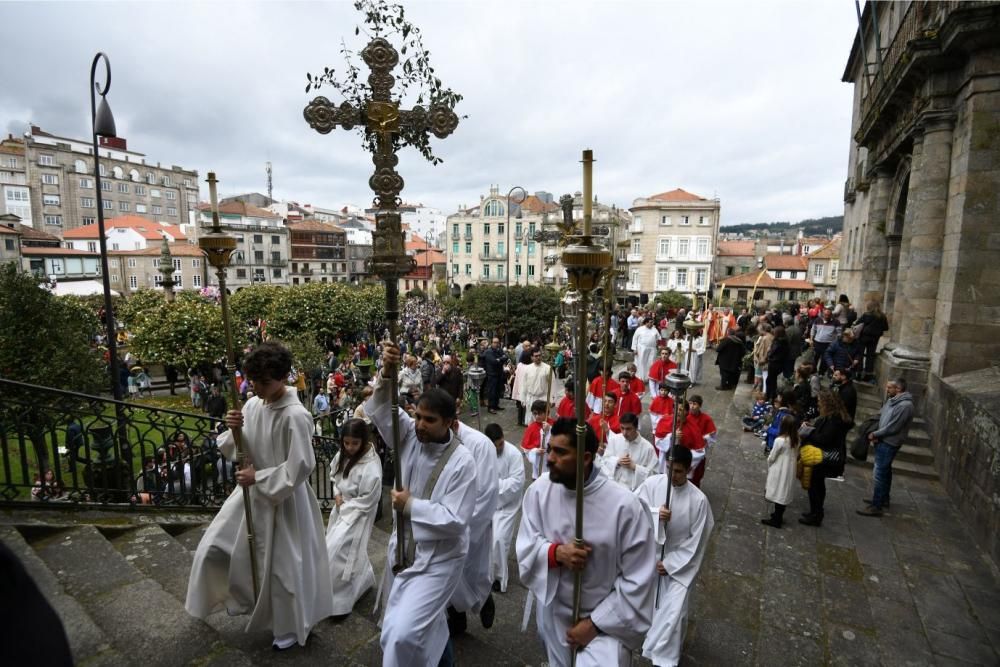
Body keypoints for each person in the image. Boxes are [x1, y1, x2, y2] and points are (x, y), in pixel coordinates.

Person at [185, 341, 333, 651]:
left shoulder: (296, 415)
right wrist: (234, 430)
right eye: (254, 381)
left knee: (284, 570)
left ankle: (289, 628)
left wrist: (259, 477)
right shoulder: (253, 405)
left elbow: (301, 466)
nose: (258, 388)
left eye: (265, 382)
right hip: (252, 494)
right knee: (214, 548)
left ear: (282, 377)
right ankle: (232, 599)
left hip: (286, 500)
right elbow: (241, 449)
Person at [367, 344, 477, 666]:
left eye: (429, 420)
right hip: (403, 551)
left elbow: (456, 520)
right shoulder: (411, 436)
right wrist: (387, 372)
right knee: (419, 625)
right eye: (417, 416)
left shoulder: (463, 462)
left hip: (439, 560)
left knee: (402, 635)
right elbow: (384, 406)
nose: (420, 425)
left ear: (449, 423)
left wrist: (411, 505)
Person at [516, 418, 655, 666]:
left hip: (604, 623)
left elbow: (638, 577)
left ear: (586, 457)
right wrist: (555, 553)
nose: (549, 459)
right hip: (555, 613)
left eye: (560, 452)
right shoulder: (539, 491)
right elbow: (527, 544)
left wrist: (595, 624)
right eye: (550, 450)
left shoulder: (625, 506)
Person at [634, 445, 714, 667]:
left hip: (679, 563)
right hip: (651, 554)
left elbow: (697, 541)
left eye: (678, 471)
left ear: (688, 470)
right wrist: (654, 514)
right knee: (652, 606)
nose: (672, 475)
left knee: (673, 613)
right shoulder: (652, 484)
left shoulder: (698, 501)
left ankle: (665, 658)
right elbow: (632, 508)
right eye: (669, 468)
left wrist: (670, 563)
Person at [447, 419, 501, 634]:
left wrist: (462, 524)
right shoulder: (431, 440)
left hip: (471, 524)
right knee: (449, 576)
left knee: (472, 570)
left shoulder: (479, 444)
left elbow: (487, 492)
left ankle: (484, 597)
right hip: (444, 522)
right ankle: (456, 619)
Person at [326, 418, 382, 617]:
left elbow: (369, 498)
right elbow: (334, 476)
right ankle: (360, 582)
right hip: (342, 508)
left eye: (354, 443)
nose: (350, 447)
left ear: (363, 441)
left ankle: (340, 601)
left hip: (358, 513)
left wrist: (348, 506)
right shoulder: (343, 454)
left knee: (341, 552)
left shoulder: (372, 466)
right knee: (342, 551)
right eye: (346, 443)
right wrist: (337, 494)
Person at [858, 378, 915, 517]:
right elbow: (882, 416)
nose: (887, 389)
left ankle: (876, 506)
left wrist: (875, 434)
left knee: (879, 474)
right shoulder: (892, 400)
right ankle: (883, 499)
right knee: (885, 472)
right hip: (882, 440)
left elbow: (894, 427)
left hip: (889, 443)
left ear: (899, 389)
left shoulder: (905, 406)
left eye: (890, 387)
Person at [799, 391, 852, 527]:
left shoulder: (834, 419)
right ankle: (815, 512)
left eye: (820, 401)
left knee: (815, 485)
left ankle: (816, 515)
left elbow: (825, 439)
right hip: (822, 457)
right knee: (817, 485)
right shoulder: (833, 417)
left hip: (823, 458)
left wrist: (809, 433)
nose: (818, 404)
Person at [484, 422, 525, 594]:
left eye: (501, 443)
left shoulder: (514, 454)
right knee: (483, 540)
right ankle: (485, 574)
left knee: (499, 540)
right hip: (487, 502)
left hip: (507, 504)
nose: (499, 448)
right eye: (495, 445)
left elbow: (517, 482)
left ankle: (499, 578)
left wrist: (494, 485)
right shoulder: (484, 452)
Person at [601, 412, 657, 491]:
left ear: (636, 427)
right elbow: (604, 461)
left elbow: (654, 476)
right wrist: (617, 461)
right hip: (613, 487)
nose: (624, 433)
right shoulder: (614, 440)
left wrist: (635, 467)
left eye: (628, 429)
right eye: (622, 428)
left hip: (634, 492)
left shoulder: (648, 448)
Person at [761, 414, 799, 528]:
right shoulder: (796, 439)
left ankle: (776, 519)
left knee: (778, 491)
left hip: (780, 469)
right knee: (784, 491)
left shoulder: (780, 440)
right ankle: (778, 515)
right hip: (790, 468)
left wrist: (770, 463)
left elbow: (772, 456)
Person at [854, 301, 889, 383]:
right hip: (874, 338)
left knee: (860, 354)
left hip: (863, 337)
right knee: (870, 356)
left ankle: (858, 374)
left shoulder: (866, 314)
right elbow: (886, 328)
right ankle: (868, 375)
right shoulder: (882, 316)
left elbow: (857, 323)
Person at [518, 349, 554, 426]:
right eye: (536, 356)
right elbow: (524, 385)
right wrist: (523, 399)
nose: (538, 357)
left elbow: (552, 385)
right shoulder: (527, 368)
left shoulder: (548, 368)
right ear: (532, 357)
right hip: (531, 399)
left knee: (543, 423)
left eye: (539, 355)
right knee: (531, 423)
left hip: (543, 399)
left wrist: (551, 400)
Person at [522, 400, 554, 479]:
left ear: (546, 413)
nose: (537, 416)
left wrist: (550, 429)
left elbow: (561, 439)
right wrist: (535, 451)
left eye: (540, 414)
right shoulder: (531, 428)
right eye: (534, 414)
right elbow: (526, 449)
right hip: (539, 460)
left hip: (551, 458)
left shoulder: (553, 424)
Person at [809, 308, 840, 375]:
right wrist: (811, 339)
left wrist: (835, 343)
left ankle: (821, 373)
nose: (827, 316)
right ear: (823, 314)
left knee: (824, 359)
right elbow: (813, 330)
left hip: (828, 343)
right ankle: (813, 371)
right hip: (817, 342)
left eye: (828, 315)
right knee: (815, 358)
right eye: (825, 315)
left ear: (831, 315)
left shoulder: (836, 322)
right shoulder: (817, 320)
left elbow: (839, 334)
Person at [631, 317, 660, 383]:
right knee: (641, 363)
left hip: (652, 349)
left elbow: (658, 338)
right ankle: (640, 377)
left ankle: (649, 377)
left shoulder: (654, 329)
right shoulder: (639, 329)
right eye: (650, 322)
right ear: (646, 322)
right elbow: (634, 339)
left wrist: (657, 345)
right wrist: (634, 349)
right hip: (641, 348)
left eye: (652, 322)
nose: (652, 324)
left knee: (651, 363)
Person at [765, 325, 789, 402]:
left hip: (773, 364)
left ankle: (769, 396)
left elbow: (771, 353)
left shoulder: (777, 342)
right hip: (781, 364)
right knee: (773, 381)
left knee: (770, 381)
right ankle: (772, 396)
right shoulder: (786, 342)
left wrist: (768, 351)